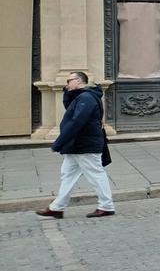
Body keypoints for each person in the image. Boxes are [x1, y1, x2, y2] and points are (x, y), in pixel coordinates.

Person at [35, 72, 116, 219]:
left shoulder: (87, 98)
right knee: (68, 175)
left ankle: (106, 206)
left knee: (96, 174)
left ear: (78, 81)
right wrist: (68, 92)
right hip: (77, 145)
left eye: (69, 81)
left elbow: (77, 121)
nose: (67, 83)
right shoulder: (82, 96)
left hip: (85, 144)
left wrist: (59, 142)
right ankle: (57, 207)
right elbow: (69, 108)